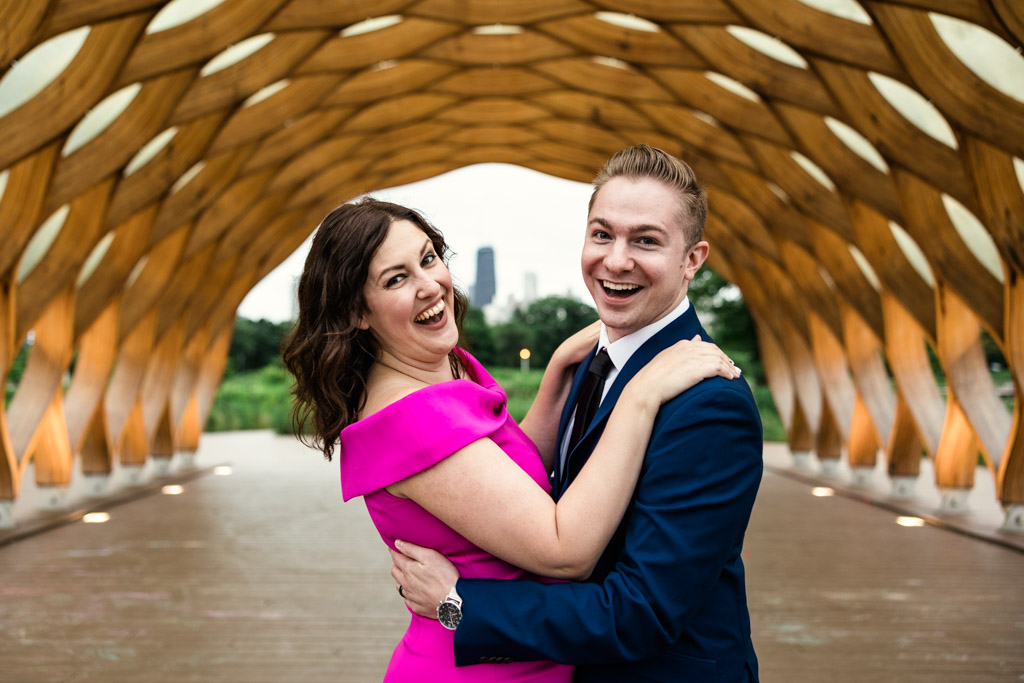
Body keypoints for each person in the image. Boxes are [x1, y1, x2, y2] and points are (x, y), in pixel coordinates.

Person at [280, 196, 741, 682]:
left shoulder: (442, 366)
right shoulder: (410, 417)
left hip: (516, 653)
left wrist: (557, 372)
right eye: (396, 279)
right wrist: (639, 397)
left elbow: (508, 475)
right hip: (479, 669)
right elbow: (564, 550)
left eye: (428, 259)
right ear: (357, 312)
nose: (428, 285)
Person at [391, 145, 764, 682]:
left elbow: (642, 613)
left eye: (647, 241)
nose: (616, 260)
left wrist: (457, 604)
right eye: (602, 233)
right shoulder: (592, 359)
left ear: (693, 260)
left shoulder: (709, 405)